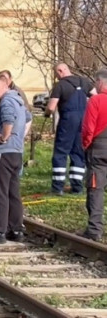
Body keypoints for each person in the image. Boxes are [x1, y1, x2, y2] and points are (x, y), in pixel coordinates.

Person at [0, 74, 30, 244]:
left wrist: (5, 137)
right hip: (16, 153)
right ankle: (16, 230)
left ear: (6, 86)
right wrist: (18, 139)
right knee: (13, 193)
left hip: (3, 153)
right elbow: (28, 119)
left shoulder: (7, 101)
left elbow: (8, 119)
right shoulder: (19, 101)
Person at [45, 63, 95, 195]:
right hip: (83, 121)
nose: (57, 77)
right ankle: (77, 187)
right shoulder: (84, 81)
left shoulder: (60, 85)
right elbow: (95, 96)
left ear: (60, 71)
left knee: (60, 152)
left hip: (67, 121)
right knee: (78, 153)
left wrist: (47, 113)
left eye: (56, 74)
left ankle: (58, 187)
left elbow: (51, 107)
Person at [80, 68, 107, 241]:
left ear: (100, 82)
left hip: (98, 150)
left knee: (95, 190)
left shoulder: (96, 101)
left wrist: (85, 145)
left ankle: (94, 229)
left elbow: (88, 128)